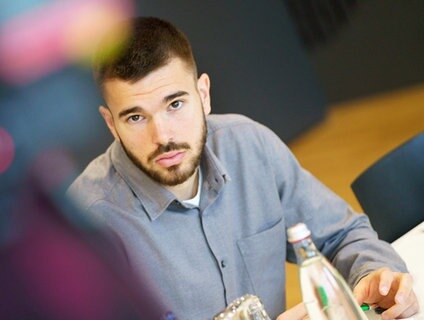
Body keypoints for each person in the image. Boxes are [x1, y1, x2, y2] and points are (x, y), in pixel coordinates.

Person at [67, 16, 419, 320]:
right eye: (135, 117)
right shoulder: (85, 220)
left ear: (203, 94)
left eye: (175, 104)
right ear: (111, 124)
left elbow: (341, 235)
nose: (162, 136)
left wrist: (375, 274)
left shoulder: (250, 146)